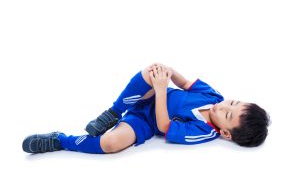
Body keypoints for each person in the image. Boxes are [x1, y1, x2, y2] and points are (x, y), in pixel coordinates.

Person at [22, 63, 270, 154]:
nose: (224, 105)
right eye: (233, 102)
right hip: (145, 95)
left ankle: (60, 141)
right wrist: (168, 73)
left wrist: (162, 90)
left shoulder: (203, 131)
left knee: (111, 144)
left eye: (227, 114)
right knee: (152, 70)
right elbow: (183, 82)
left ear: (226, 133)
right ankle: (114, 111)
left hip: (146, 122)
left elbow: (164, 126)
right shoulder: (213, 95)